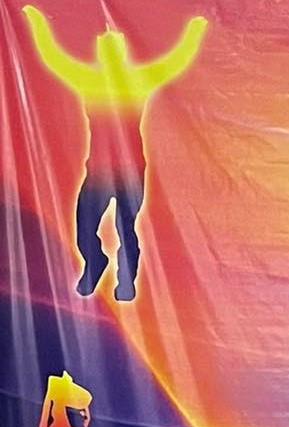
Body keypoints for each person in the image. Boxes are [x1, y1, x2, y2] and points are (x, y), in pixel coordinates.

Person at [21, 6, 208, 301]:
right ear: (100, 54)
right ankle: (95, 263)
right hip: (98, 173)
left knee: (126, 228)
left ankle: (126, 281)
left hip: (130, 173)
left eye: (112, 50)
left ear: (121, 54)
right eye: (104, 50)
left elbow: (176, 60)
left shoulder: (135, 80)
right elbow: (52, 56)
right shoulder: (90, 79)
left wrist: (196, 29)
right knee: (86, 225)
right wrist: (36, 20)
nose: (108, 55)